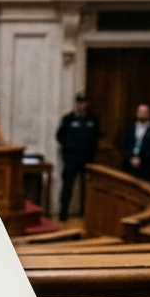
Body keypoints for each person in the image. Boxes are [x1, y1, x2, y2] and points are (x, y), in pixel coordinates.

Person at [54, 92, 101, 222]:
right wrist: (68, 145)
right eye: (78, 102)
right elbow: (59, 135)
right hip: (71, 158)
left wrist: (91, 149)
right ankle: (63, 212)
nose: (80, 105)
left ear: (87, 103)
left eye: (83, 102)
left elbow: (96, 136)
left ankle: (86, 213)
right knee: (68, 185)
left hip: (87, 158)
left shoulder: (92, 119)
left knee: (87, 187)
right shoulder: (68, 118)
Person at [120, 104, 150, 182]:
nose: (142, 114)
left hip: (146, 166)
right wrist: (131, 158)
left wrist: (141, 159)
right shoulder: (129, 129)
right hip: (129, 164)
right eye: (140, 112)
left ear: (149, 114)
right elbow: (124, 145)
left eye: (145, 112)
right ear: (137, 113)